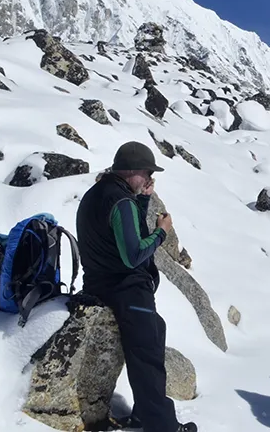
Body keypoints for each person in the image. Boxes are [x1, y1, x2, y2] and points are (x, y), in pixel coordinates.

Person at [76, 141, 197, 432]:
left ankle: (144, 413)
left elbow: (122, 234)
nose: (149, 178)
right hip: (126, 289)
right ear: (132, 171)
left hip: (99, 284)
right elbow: (133, 255)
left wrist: (142, 200)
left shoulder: (100, 193)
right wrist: (161, 233)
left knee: (157, 328)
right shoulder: (121, 202)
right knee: (147, 358)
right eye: (147, 173)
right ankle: (163, 426)